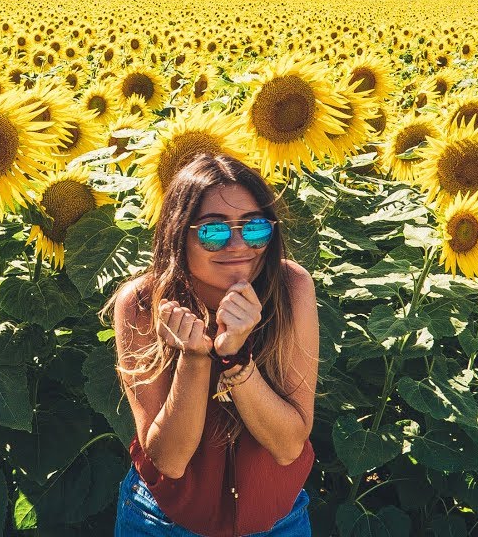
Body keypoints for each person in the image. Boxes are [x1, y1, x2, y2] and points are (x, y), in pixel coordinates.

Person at [100, 152, 320, 536]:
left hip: (277, 523)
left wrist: (237, 358)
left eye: (254, 229)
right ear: (178, 232)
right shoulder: (139, 305)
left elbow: (288, 447)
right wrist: (195, 357)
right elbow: (169, 459)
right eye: (213, 232)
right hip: (162, 523)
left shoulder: (290, 290)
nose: (238, 245)